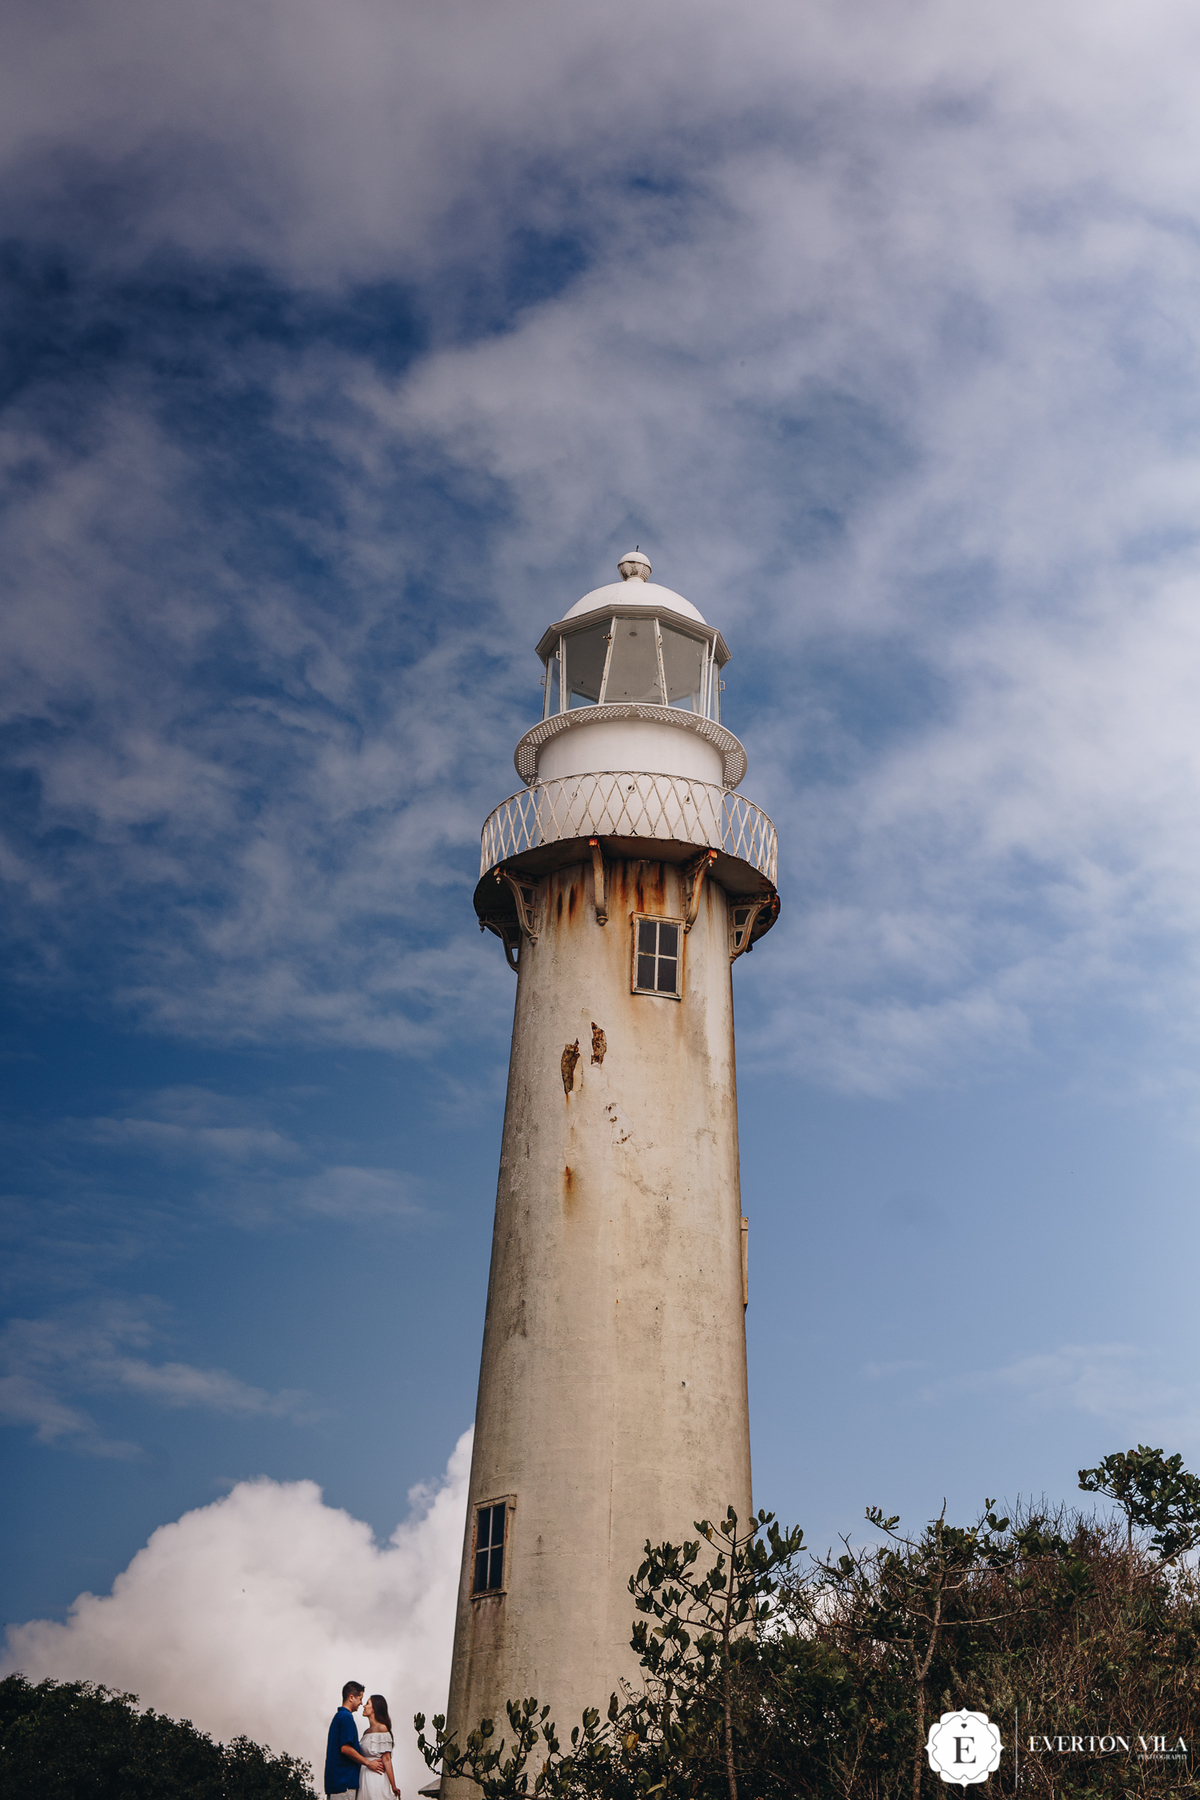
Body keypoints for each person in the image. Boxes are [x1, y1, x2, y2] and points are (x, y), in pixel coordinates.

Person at [325, 1682, 386, 1797]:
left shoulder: (339, 1717)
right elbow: (345, 1748)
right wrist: (368, 1763)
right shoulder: (346, 1717)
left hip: (337, 1783)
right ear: (351, 1698)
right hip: (344, 1784)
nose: (361, 1703)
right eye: (360, 1698)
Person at [359, 1694, 401, 1800]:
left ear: (375, 1708)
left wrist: (393, 1786)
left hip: (376, 1776)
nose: (364, 1706)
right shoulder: (366, 1732)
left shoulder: (382, 1728)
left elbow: (386, 1759)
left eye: (367, 1703)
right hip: (364, 1776)